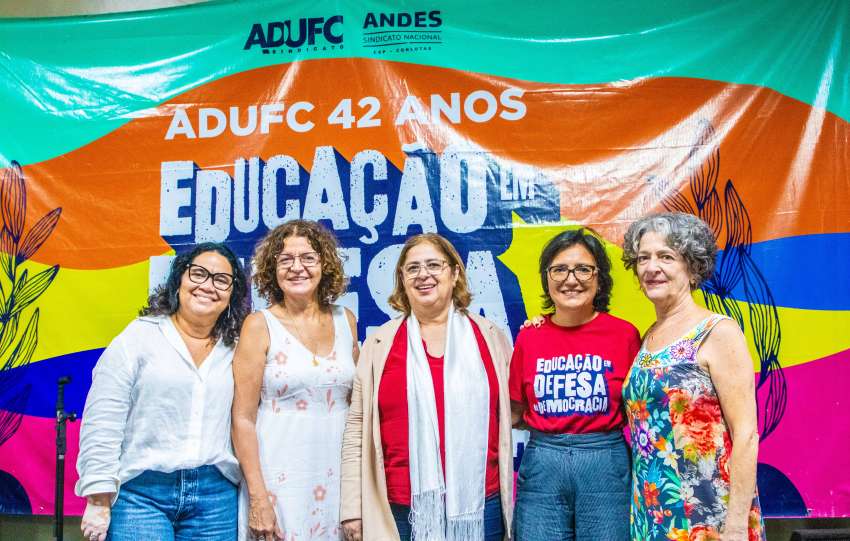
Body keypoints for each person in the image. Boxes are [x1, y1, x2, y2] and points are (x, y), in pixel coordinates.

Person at [340, 233, 513, 541]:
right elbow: (356, 429)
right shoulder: (380, 343)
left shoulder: (490, 337)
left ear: (455, 273)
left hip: (480, 504)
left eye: (434, 265)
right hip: (400, 507)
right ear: (402, 279)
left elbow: (516, 410)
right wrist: (352, 508)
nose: (423, 275)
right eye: (413, 268)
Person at [76, 242, 250, 541]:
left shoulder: (237, 347)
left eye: (222, 280)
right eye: (199, 274)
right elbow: (104, 417)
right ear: (179, 279)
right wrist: (98, 496)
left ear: (232, 294)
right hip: (141, 496)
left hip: (216, 498)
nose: (208, 286)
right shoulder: (139, 337)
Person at [621, 212, 765, 540]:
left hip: (709, 516)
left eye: (666, 257)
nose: (651, 267)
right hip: (653, 515)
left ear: (692, 266)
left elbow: (746, 434)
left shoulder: (718, 332)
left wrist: (736, 528)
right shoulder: (648, 337)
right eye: (643, 258)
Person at [509, 228, 640, 541]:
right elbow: (515, 410)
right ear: (547, 278)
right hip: (544, 462)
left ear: (599, 278)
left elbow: (639, 410)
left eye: (583, 269)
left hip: (605, 462)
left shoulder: (625, 335)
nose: (571, 279)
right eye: (559, 269)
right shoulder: (529, 337)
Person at [232, 219, 358, 541]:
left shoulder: (346, 320)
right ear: (272, 269)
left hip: (337, 481)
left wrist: (358, 494)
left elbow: (356, 410)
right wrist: (259, 498)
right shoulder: (258, 325)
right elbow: (242, 419)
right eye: (285, 259)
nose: (296, 267)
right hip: (278, 482)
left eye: (308, 258)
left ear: (324, 265)